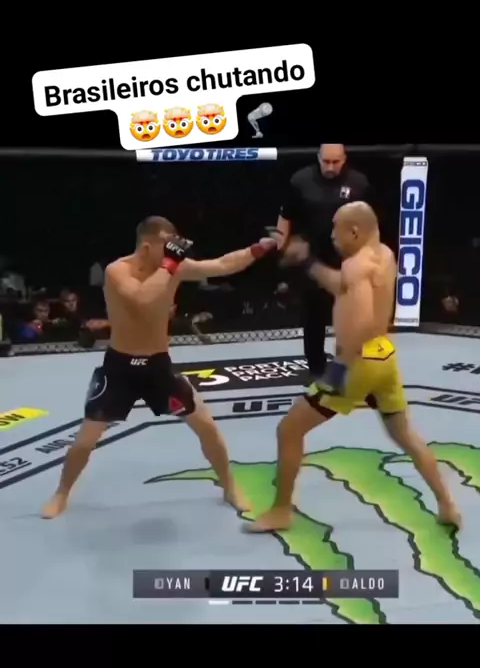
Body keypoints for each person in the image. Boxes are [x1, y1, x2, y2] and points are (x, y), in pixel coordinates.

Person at [42, 216, 277, 519]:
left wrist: (258, 248)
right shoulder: (118, 271)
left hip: (158, 368)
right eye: (166, 245)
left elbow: (221, 265)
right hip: (120, 369)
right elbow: (142, 299)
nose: (172, 250)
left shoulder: (173, 267)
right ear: (146, 245)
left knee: (207, 427)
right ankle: (61, 493)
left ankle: (229, 485)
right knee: (85, 441)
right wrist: (169, 264)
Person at [252, 201, 461, 532]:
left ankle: (281, 510)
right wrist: (308, 262)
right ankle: (447, 505)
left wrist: (340, 366)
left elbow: (361, 321)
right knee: (405, 434)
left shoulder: (354, 265)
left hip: (358, 362)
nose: (332, 237)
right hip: (383, 355)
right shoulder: (384, 255)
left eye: (336, 231)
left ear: (354, 231)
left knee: (289, 429)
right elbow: (344, 286)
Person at [276, 143, 372, 379]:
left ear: (344, 159)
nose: (330, 167)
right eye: (326, 161)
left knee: (351, 318)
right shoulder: (301, 180)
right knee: (313, 317)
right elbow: (285, 217)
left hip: (348, 260)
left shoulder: (359, 183)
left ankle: (352, 369)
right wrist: (281, 247)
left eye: (335, 162)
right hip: (312, 257)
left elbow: (370, 223)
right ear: (318, 158)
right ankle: (316, 371)